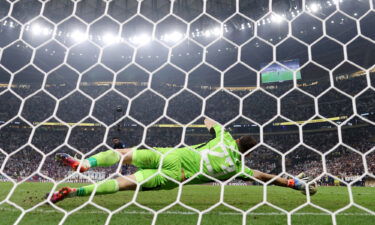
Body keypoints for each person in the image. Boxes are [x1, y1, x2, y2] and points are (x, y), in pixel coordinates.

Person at [48, 118, 317, 203]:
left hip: (171, 154)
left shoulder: (224, 137)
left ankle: (86, 164)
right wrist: (294, 184)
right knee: (123, 183)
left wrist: (217, 127)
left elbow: (208, 120)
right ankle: (74, 192)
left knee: (122, 154)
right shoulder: (238, 167)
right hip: (174, 177)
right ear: (245, 152)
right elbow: (265, 178)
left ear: (236, 141)